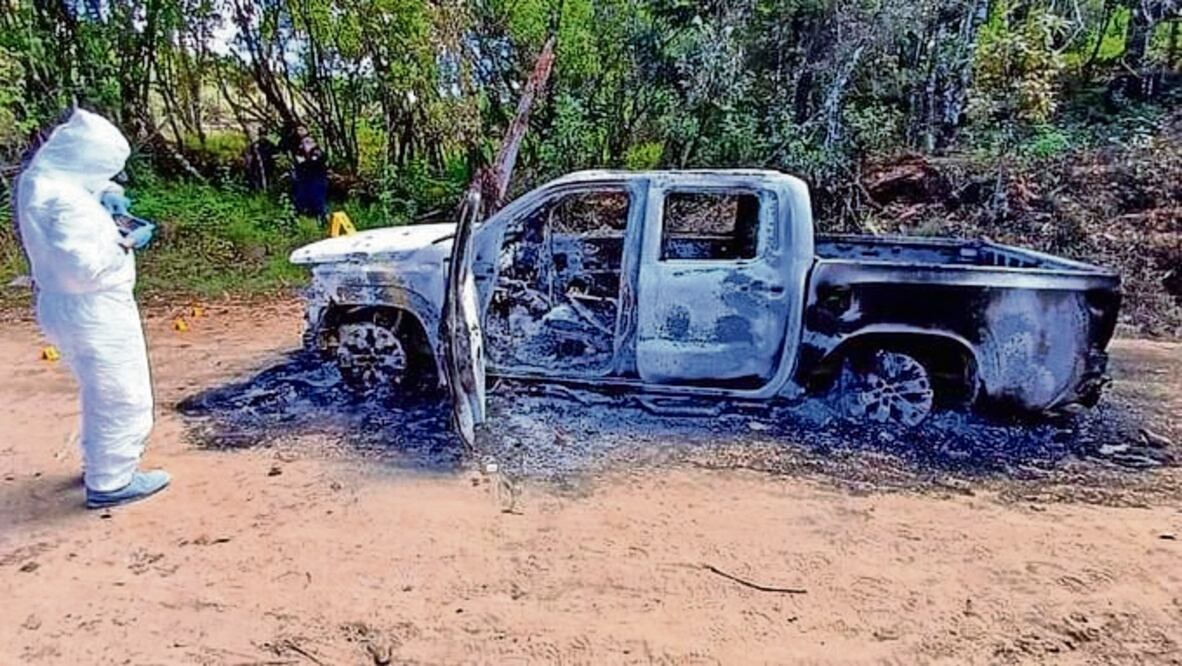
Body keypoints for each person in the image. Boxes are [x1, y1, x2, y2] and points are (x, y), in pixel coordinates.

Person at [15, 108, 169, 510]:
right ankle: (111, 481)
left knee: (98, 389)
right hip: (95, 308)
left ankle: (100, 463)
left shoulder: (39, 181)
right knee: (123, 393)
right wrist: (128, 241)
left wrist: (107, 196)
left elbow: (82, 185)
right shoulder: (65, 202)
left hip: (60, 303)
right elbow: (84, 267)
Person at [289, 125, 329, 221]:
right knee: (302, 200)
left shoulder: (317, 151)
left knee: (318, 201)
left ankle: (323, 219)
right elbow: (299, 164)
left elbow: (317, 161)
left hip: (317, 179)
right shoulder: (299, 151)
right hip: (304, 180)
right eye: (304, 143)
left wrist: (308, 161)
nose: (306, 144)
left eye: (309, 142)